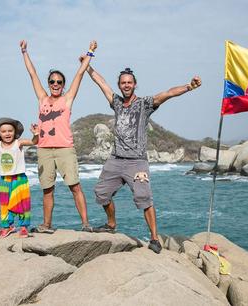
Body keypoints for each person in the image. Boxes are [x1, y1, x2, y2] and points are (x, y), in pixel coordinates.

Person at [82, 62, 202, 254]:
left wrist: (189, 86)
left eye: (129, 82)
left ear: (135, 84)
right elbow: (101, 82)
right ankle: (111, 224)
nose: (126, 85)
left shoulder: (145, 104)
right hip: (115, 159)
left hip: (137, 161)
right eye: (123, 83)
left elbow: (168, 93)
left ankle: (154, 238)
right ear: (120, 85)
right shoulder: (117, 102)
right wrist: (87, 65)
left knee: (143, 197)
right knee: (101, 193)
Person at [20, 39, 97, 233]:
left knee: (75, 186)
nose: (55, 84)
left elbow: (80, 73)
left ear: (63, 85)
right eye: (52, 81)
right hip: (44, 149)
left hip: (65, 149)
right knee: (47, 190)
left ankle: (86, 224)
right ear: (49, 84)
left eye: (59, 82)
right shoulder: (42, 98)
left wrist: (90, 51)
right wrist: (24, 52)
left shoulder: (67, 99)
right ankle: (46, 225)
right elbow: (32, 73)